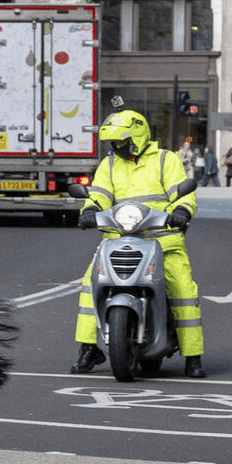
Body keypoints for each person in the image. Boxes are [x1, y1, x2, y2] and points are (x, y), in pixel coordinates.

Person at [70, 107, 206, 378]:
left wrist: (181, 212)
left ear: (138, 136)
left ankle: (193, 355)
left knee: (181, 288)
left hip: (163, 240)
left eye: (121, 140)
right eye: (113, 141)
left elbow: (182, 192)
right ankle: (89, 348)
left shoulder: (165, 160)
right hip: (119, 237)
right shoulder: (109, 164)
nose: (116, 146)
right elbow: (98, 195)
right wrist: (89, 211)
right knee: (89, 285)